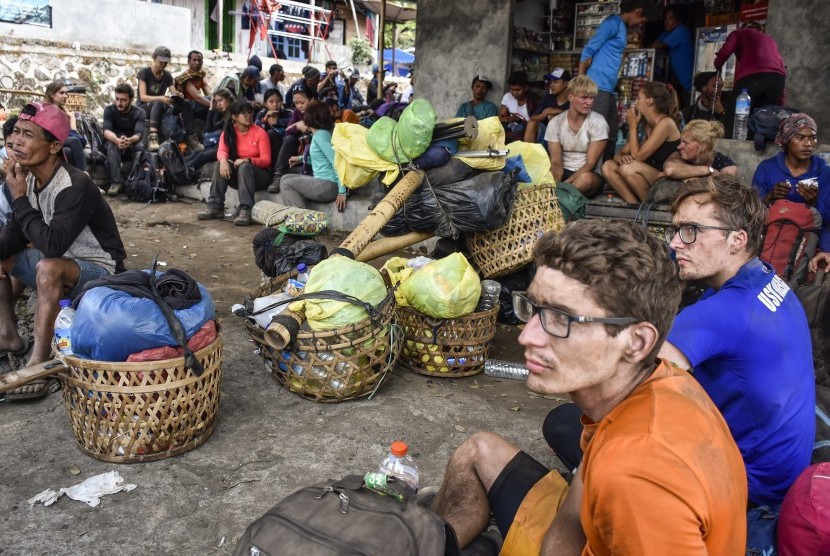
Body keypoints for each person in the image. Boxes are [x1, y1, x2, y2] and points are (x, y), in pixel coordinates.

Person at [431, 218, 747, 554]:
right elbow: (574, 510)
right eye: (534, 308)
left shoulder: (638, 478)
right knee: (478, 450)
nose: (526, 337)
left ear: (636, 342)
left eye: (561, 318)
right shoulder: (659, 378)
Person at [659, 174, 815, 507]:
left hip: (749, 487)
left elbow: (631, 382)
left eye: (691, 231)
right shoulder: (768, 279)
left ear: (737, 240)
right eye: (675, 230)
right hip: (785, 472)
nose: (675, 243)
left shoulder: (723, 312)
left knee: (568, 425)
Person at [0, 102, 126, 395]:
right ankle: (7, 334)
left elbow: (52, 246)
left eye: (28, 135)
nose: (17, 141)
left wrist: (19, 199)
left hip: (101, 275)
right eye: (16, 132)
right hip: (60, 267)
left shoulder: (75, 184)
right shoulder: (26, 180)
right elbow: (14, 235)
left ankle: (39, 365)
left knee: (49, 266)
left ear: (54, 145)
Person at [580, 0, 650, 162]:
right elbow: (588, 50)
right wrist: (582, 82)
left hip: (607, 89)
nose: (641, 24)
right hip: (597, 86)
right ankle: (593, 175)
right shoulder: (612, 23)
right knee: (598, 135)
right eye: (643, 19)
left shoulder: (620, 25)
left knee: (611, 134)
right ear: (638, 10)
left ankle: (604, 171)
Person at [752, 112, 830, 251]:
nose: (808, 144)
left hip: (810, 235)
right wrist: (769, 197)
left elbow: (827, 220)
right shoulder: (767, 168)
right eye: (800, 138)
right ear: (786, 140)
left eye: (813, 138)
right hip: (773, 231)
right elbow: (751, 213)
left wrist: (813, 203)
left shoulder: (823, 171)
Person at [602, 81, 682, 203]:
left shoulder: (666, 123)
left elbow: (638, 157)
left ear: (650, 101)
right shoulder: (647, 124)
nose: (636, 102)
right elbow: (619, 155)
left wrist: (633, 126)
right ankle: (633, 205)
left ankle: (648, 210)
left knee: (628, 168)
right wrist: (622, 159)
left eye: (639, 98)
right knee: (608, 166)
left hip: (666, 180)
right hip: (649, 175)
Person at [196, 101, 271, 226]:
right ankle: (215, 207)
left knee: (245, 167)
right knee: (220, 164)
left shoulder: (259, 133)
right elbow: (221, 151)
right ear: (234, 117)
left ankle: (246, 210)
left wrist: (248, 159)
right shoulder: (229, 132)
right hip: (240, 177)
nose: (248, 116)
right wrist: (224, 160)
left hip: (260, 176)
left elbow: (266, 160)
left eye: (249, 112)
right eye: (243, 113)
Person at [714, 22, 787, 137]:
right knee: (764, 120)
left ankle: (729, 148)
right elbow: (781, 67)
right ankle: (757, 148)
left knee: (736, 116)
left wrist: (717, 64)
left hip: (752, 77)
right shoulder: (770, 39)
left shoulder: (738, 33)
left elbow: (725, 51)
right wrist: (781, 100)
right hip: (777, 80)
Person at [545, 76, 608, 197]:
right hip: (564, 172)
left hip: (589, 174)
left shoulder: (598, 122)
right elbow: (556, 162)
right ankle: (559, 196)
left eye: (591, 98)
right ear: (571, 97)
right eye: (584, 98)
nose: (589, 102)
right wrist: (555, 183)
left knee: (586, 179)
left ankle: (560, 196)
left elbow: (590, 164)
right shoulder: (556, 123)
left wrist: (566, 185)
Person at [280, 100, 347, 212]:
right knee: (285, 178)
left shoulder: (321, 136)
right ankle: (299, 217)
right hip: (323, 182)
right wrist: (300, 159)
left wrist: (342, 191)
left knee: (287, 184)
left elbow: (337, 161)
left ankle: (302, 221)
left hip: (329, 185)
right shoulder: (319, 134)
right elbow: (322, 159)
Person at [137, 45, 199, 152]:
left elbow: (173, 92)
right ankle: (153, 137)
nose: (163, 64)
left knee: (186, 103)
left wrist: (178, 95)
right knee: (159, 102)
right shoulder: (144, 73)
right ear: (154, 58)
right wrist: (161, 98)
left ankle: (191, 137)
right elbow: (143, 97)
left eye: (165, 62)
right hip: (144, 107)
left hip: (160, 105)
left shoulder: (167, 76)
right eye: (161, 61)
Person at [102, 84, 146, 197]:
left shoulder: (139, 112)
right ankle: (116, 183)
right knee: (111, 145)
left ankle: (137, 179)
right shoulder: (109, 110)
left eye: (123, 100)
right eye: (117, 99)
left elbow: (139, 134)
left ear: (131, 100)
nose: (119, 103)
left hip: (131, 142)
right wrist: (117, 140)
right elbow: (106, 131)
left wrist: (129, 140)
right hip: (114, 141)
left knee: (140, 147)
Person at [269, 88, 313, 193]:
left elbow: (321, 133)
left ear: (311, 100)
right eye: (296, 103)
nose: (299, 106)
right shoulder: (297, 112)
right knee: (289, 139)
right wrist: (298, 126)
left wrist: (307, 129)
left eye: (302, 102)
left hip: (313, 149)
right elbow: (288, 131)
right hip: (300, 148)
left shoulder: (318, 111)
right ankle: (278, 175)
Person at [663, 119, 737, 179]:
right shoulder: (678, 155)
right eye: (681, 142)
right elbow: (670, 170)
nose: (679, 147)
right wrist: (707, 170)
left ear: (702, 146)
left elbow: (725, 189)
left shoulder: (725, 164)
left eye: (686, 143)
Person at [651, 6, 694, 106]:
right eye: (665, 18)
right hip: (677, 82)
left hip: (687, 82)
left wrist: (659, 44)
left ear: (678, 20)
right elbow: (654, 45)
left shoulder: (681, 30)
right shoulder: (668, 33)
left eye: (670, 18)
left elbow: (661, 45)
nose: (666, 21)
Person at [187, 88, 235, 173]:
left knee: (202, 156)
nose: (219, 104)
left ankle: (184, 171)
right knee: (196, 153)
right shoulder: (224, 114)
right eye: (216, 101)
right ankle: (178, 165)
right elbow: (208, 129)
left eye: (221, 100)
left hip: (229, 148)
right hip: (221, 145)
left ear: (228, 99)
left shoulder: (234, 113)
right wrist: (211, 108)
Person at [43, 80, 87, 172]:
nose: (65, 96)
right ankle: (85, 175)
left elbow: (78, 140)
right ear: (51, 95)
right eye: (61, 93)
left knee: (68, 152)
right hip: (49, 142)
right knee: (74, 141)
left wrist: (72, 120)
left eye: (66, 93)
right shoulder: (46, 111)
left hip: (61, 143)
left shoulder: (64, 112)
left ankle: (76, 181)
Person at [523, 68, 570, 144]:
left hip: (567, 137)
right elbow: (533, 117)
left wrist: (556, 111)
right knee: (532, 123)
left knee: (554, 118)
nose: (551, 85)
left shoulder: (573, 99)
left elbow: (578, 117)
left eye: (555, 82)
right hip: (546, 136)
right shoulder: (548, 98)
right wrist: (544, 114)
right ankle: (528, 153)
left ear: (566, 84)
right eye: (551, 82)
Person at [255, 89, 292, 172]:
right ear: (265, 104)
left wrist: (278, 122)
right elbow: (256, 128)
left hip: (285, 147)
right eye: (271, 102)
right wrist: (265, 120)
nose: (275, 105)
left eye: (278, 101)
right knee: (270, 134)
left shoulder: (288, 113)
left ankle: (278, 170)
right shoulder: (262, 114)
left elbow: (293, 123)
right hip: (266, 149)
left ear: (282, 101)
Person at [499, 71, 540, 143]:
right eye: (512, 89)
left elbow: (536, 123)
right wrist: (508, 119)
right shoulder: (508, 96)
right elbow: (502, 117)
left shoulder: (534, 100)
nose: (514, 93)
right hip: (512, 129)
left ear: (526, 88)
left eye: (518, 90)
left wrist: (519, 120)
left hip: (529, 132)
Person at [174, 50, 212, 124]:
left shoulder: (201, 75)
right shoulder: (185, 77)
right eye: (194, 60)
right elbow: (197, 97)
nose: (197, 63)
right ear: (188, 62)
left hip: (197, 106)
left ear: (202, 62)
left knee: (213, 99)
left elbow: (209, 93)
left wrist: (216, 102)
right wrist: (214, 106)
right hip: (186, 108)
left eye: (199, 60)